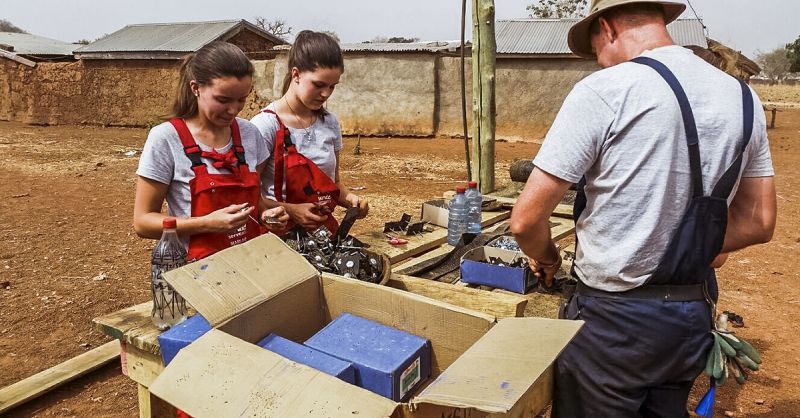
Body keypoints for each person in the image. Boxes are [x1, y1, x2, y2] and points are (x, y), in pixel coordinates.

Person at [509, 0, 777, 416]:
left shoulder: (607, 89)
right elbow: (760, 221)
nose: (599, 62)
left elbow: (526, 220)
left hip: (612, 322)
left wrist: (547, 258)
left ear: (608, 28)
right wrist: (685, 244)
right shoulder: (743, 98)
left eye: (595, 48)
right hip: (690, 314)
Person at [134, 41, 288, 261]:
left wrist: (268, 214)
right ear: (196, 88)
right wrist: (206, 224)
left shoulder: (250, 134)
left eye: (241, 99)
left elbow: (256, 200)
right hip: (196, 272)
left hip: (252, 264)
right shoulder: (166, 138)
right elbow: (143, 222)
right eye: (223, 100)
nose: (233, 110)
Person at [251, 30, 368, 235]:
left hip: (322, 235)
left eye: (332, 86)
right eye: (319, 85)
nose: (326, 94)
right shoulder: (266, 126)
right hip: (276, 239)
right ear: (296, 74)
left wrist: (350, 199)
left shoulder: (329, 123)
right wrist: (291, 211)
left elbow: (334, 184)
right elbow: (249, 196)